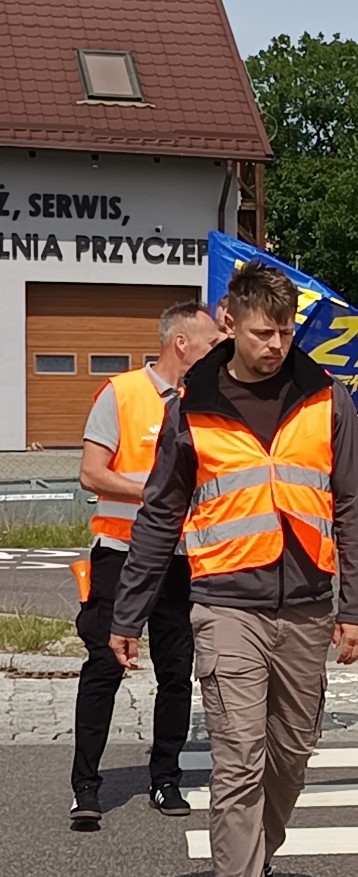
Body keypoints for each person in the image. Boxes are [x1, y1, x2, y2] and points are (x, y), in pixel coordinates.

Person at [109, 261, 358, 877]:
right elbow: (162, 510)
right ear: (230, 323)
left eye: (287, 331)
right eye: (265, 331)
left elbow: (355, 507)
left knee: (290, 755)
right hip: (226, 603)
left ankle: (257, 865)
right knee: (238, 758)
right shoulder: (192, 403)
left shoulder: (325, 396)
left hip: (308, 606)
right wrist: (128, 611)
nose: (277, 344)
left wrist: (356, 607)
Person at [69, 302, 223, 824]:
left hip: (183, 559)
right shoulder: (123, 393)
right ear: (181, 343)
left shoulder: (208, 401)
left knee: (177, 673)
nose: (218, 352)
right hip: (121, 553)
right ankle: (86, 787)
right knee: (104, 666)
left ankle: (166, 778)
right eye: (210, 344)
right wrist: (155, 492)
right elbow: (92, 473)